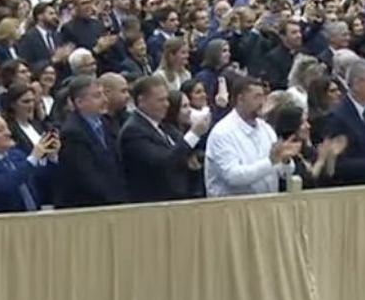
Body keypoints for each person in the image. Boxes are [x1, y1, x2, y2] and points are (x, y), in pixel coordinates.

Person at [204, 77, 299, 197]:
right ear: (240, 99)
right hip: (231, 205)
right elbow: (233, 176)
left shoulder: (266, 129)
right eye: (257, 97)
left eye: (263, 96)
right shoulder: (222, 133)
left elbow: (284, 173)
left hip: (268, 203)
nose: (262, 102)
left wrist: (285, 160)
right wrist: (270, 161)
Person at [120, 74, 203, 202]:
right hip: (152, 204)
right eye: (160, 100)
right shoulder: (133, 131)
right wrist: (193, 135)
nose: (167, 104)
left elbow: (184, 152)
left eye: (167, 100)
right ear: (142, 101)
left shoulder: (165, 126)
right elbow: (163, 162)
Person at [52, 75, 126, 208]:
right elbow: (86, 176)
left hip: (112, 202)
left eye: (104, 94)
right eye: (97, 96)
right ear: (79, 102)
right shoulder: (72, 132)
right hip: (85, 206)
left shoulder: (107, 123)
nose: (105, 100)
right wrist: (116, 200)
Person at [0, 110, 58, 213]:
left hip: (35, 215)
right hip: (7, 220)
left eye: (7, 128)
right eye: (0, 130)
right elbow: (4, 186)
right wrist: (33, 158)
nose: (8, 133)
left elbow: (39, 178)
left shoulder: (17, 155)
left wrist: (52, 157)